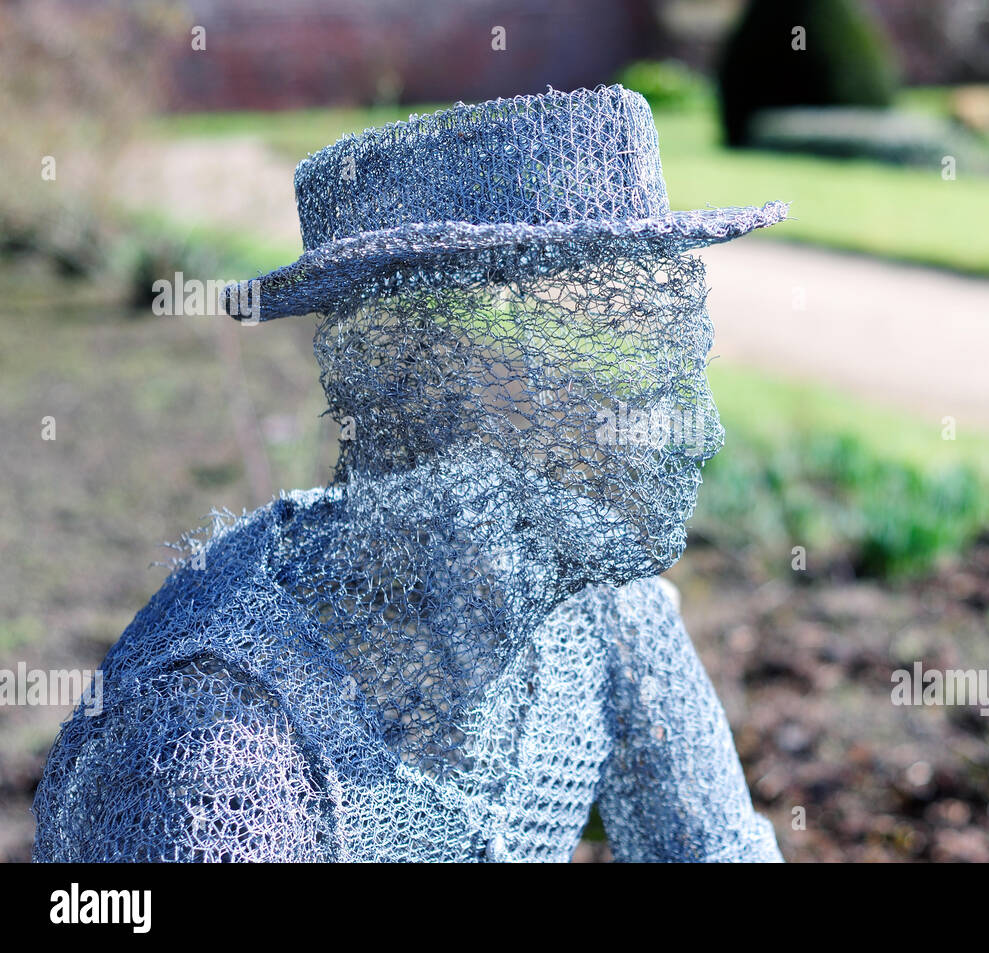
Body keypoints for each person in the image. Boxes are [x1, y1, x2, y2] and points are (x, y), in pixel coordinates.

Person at [33, 85, 788, 862]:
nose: (702, 436)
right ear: (435, 377)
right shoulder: (223, 741)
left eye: (681, 364)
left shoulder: (605, 611)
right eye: (635, 369)